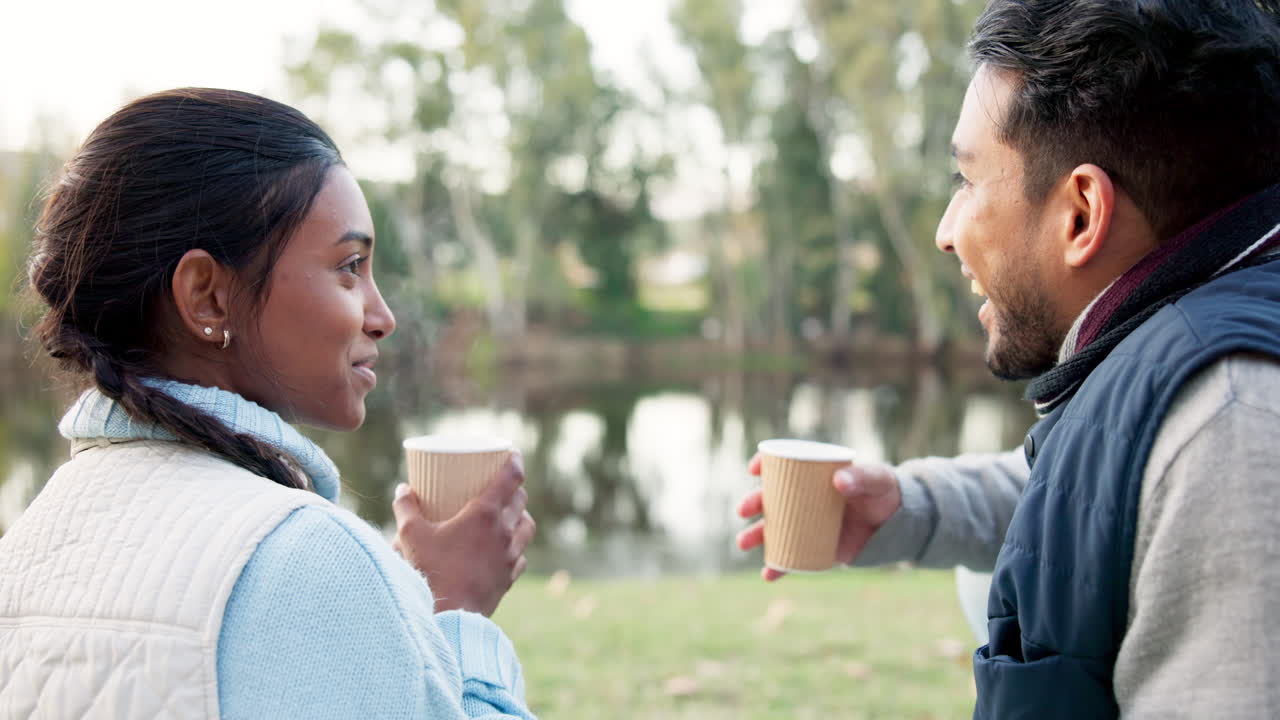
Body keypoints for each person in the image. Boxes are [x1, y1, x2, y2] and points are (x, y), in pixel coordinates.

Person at [738, 0, 1280, 716]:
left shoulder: (1230, 428)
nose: (945, 231)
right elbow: (1098, 486)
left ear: (1081, 214)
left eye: (968, 181)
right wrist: (906, 506)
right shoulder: (1172, 352)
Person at [0, 88, 537, 719]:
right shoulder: (310, 555)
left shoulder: (31, 540)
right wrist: (454, 609)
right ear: (207, 298)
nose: (381, 315)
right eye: (349, 266)